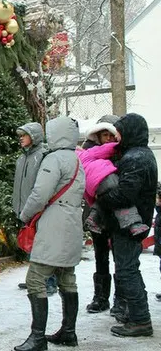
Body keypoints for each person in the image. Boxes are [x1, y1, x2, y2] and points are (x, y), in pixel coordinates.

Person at [14, 116, 85, 351]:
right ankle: (69, 332)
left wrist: (24, 216)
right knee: (67, 278)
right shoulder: (76, 159)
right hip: (72, 223)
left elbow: (39, 193)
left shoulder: (53, 159)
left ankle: (37, 338)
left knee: (35, 279)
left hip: (54, 224)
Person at [97, 113, 157, 337]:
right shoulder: (140, 155)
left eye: (120, 131)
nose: (117, 136)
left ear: (130, 131)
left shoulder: (135, 158)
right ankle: (137, 316)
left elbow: (125, 194)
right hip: (133, 222)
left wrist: (100, 198)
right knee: (129, 269)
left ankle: (140, 320)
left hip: (130, 224)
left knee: (127, 271)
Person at [76, 116, 125, 315]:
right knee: (100, 255)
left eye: (111, 135)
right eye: (105, 135)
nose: (108, 139)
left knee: (121, 257)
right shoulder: (89, 152)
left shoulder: (122, 151)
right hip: (96, 211)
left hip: (117, 210)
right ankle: (101, 297)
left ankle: (120, 299)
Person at [13, 122, 57, 295]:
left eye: (24, 135)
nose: (21, 139)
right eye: (20, 136)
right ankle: (35, 279)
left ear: (34, 136)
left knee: (43, 247)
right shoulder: (22, 158)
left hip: (39, 209)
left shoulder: (43, 156)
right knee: (32, 245)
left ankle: (50, 282)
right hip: (25, 208)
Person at [81, 142, 148, 237]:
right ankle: (134, 224)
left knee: (103, 199)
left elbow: (83, 189)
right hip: (105, 176)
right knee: (120, 198)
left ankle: (93, 218)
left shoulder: (74, 164)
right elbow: (104, 149)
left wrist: (91, 200)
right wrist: (117, 145)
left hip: (91, 185)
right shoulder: (86, 153)